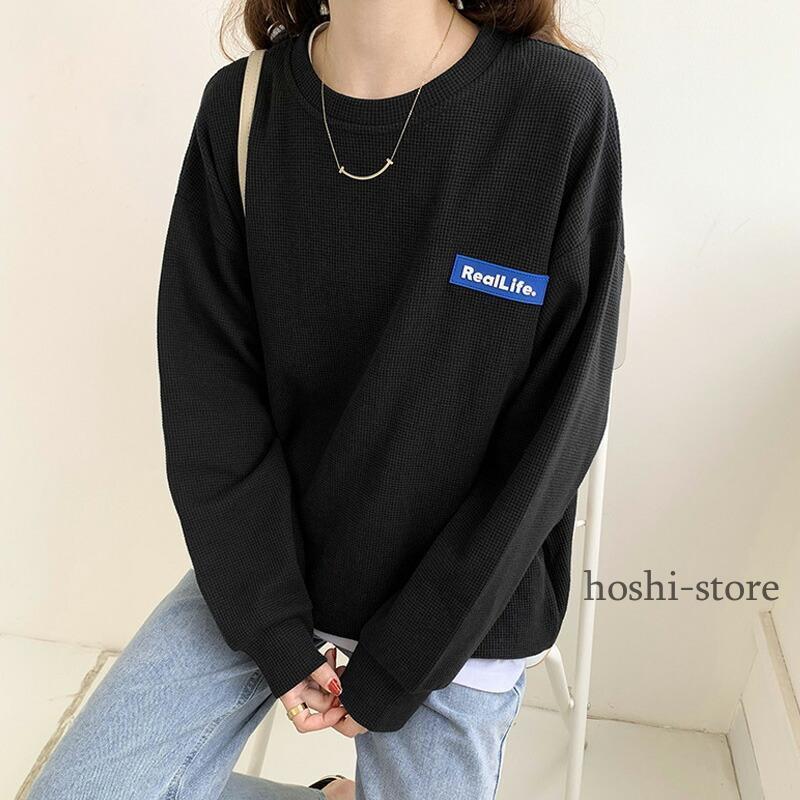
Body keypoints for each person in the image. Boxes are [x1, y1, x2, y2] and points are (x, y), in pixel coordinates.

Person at [28, 0, 624, 798]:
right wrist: (273, 629)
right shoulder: (243, 108)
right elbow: (212, 405)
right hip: (273, 570)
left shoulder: (556, 107)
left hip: (460, 608)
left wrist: (405, 659)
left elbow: (557, 430)